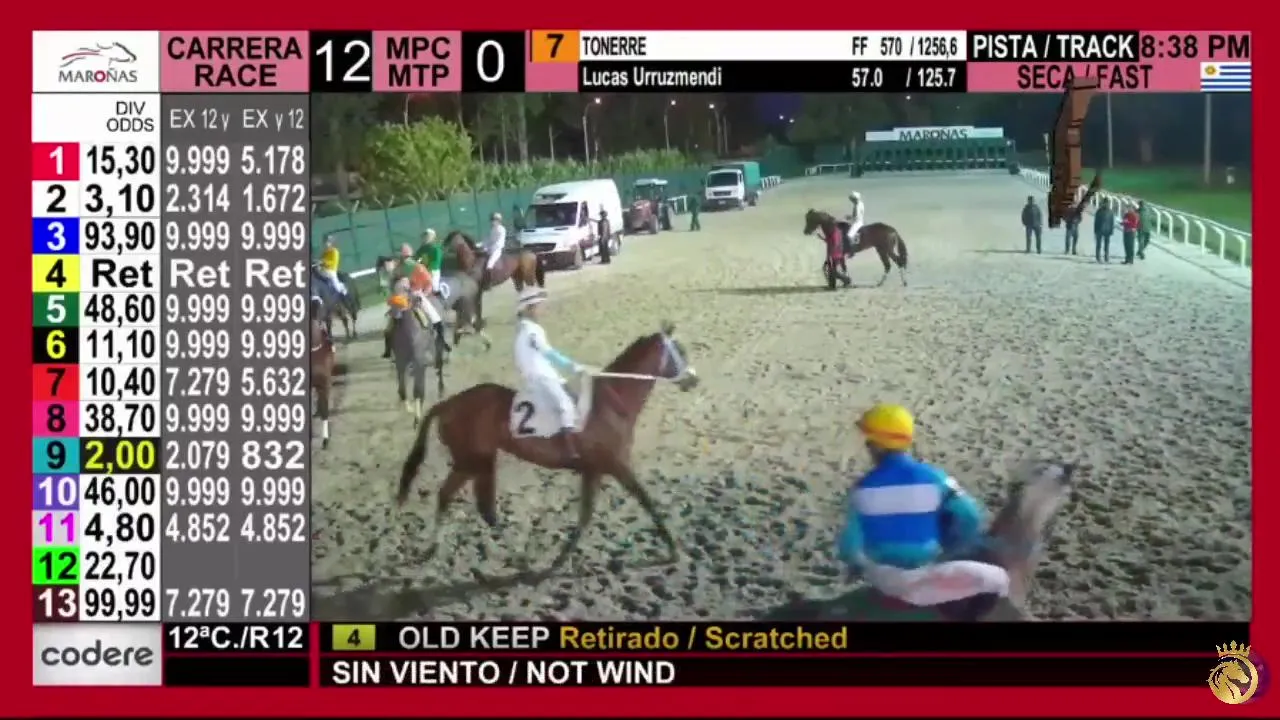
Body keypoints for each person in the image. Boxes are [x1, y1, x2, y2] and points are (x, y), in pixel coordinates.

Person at [838, 404, 1010, 613]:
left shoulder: (861, 489)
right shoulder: (935, 478)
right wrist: (954, 546)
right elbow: (970, 516)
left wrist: (856, 567)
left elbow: (850, 546)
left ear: (877, 446)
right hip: (931, 568)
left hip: (885, 579)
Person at [514, 287, 586, 466]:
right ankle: (569, 451)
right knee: (565, 405)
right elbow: (547, 352)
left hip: (547, 374)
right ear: (530, 308)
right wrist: (571, 365)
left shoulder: (529, 328)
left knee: (575, 398)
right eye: (540, 306)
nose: (543, 309)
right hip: (540, 377)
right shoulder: (531, 331)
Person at [414, 229, 444, 297]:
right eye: (424, 236)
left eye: (427, 236)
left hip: (433, 270)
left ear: (432, 237)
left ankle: (437, 294)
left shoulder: (436, 248)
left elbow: (436, 261)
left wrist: (428, 269)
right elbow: (417, 258)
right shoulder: (422, 248)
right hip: (423, 270)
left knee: (434, 284)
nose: (425, 238)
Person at [481, 212, 506, 287]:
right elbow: (488, 239)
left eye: (494, 220)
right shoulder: (492, 229)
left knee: (489, 264)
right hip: (490, 249)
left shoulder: (502, 229)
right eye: (492, 220)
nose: (492, 222)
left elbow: (499, 242)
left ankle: (489, 282)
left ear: (498, 220)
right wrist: (483, 245)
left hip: (497, 250)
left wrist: (489, 247)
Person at [1093, 199, 1115, 263]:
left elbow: (1112, 222)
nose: (1106, 204)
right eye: (1105, 203)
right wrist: (1095, 231)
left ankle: (1106, 256)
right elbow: (1096, 222)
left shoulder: (1110, 212)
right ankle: (1098, 257)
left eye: (1107, 203)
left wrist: (1111, 231)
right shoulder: (1099, 211)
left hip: (1107, 230)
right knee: (1098, 244)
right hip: (1099, 230)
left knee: (1106, 245)